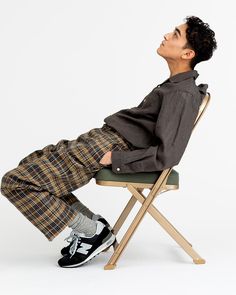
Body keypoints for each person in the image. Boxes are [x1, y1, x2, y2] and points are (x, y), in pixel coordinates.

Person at [0, 16, 217, 268]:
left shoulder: (182, 93)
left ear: (187, 53)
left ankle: (91, 232)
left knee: (15, 182)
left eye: (176, 35)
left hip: (109, 147)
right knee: (31, 165)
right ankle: (93, 226)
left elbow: (169, 154)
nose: (167, 35)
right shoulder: (175, 86)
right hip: (103, 139)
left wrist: (116, 159)